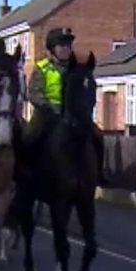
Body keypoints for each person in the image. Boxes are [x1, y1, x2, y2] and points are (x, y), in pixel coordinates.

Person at [26, 27, 105, 182]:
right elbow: (34, 92)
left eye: (68, 46)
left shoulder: (75, 69)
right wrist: (47, 106)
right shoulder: (42, 68)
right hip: (47, 113)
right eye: (62, 46)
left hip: (72, 114)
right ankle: (27, 175)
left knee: (97, 135)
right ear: (52, 49)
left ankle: (99, 173)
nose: (66, 49)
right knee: (30, 136)